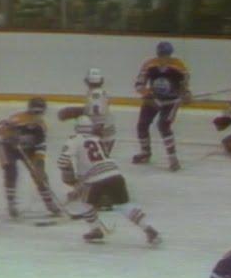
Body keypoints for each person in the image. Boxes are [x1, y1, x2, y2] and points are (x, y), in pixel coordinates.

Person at [56, 116, 162, 245]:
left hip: (95, 178)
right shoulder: (97, 139)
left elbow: (63, 161)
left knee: (84, 202)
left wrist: (70, 177)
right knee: (124, 205)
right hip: (115, 174)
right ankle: (148, 228)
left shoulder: (74, 140)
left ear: (76, 128)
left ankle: (96, 229)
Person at [0, 98, 62, 219]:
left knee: (40, 175)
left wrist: (39, 164)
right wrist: (9, 134)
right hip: (8, 148)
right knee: (11, 171)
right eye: (34, 111)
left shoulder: (41, 126)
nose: (36, 115)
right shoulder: (17, 119)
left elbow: (40, 146)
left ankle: (49, 203)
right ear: (29, 109)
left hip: (29, 150)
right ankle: (11, 202)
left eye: (39, 112)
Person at [132, 41, 191, 171]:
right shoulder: (149, 65)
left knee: (163, 125)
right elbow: (139, 84)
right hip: (154, 100)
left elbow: (184, 84)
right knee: (142, 124)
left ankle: (172, 157)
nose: (164, 58)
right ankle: (145, 152)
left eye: (166, 55)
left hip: (170, 102)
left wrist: (185, 94)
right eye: (162, 55)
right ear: (157, 54)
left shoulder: (178, 66)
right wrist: (147, 95)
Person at [58, 68, 116, 157]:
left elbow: (98, 116)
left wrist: (94, 139)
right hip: (107, 134)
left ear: (86, 81)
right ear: (102, 80)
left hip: (103, 136)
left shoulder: (94, 96)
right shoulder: (101, 93)